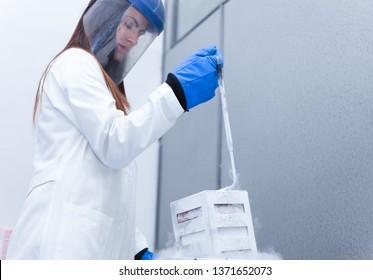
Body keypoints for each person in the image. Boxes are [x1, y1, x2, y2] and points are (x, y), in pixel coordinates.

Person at [6, 0, 223, 260]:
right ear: (105, 15)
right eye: (129, 24)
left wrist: (136, 248)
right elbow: (115, 143)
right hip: (59, 245)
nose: (133, 38)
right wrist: (176, 93)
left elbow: (107, 189)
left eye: (141, 32)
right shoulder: (75, 63)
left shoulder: (107, 92)